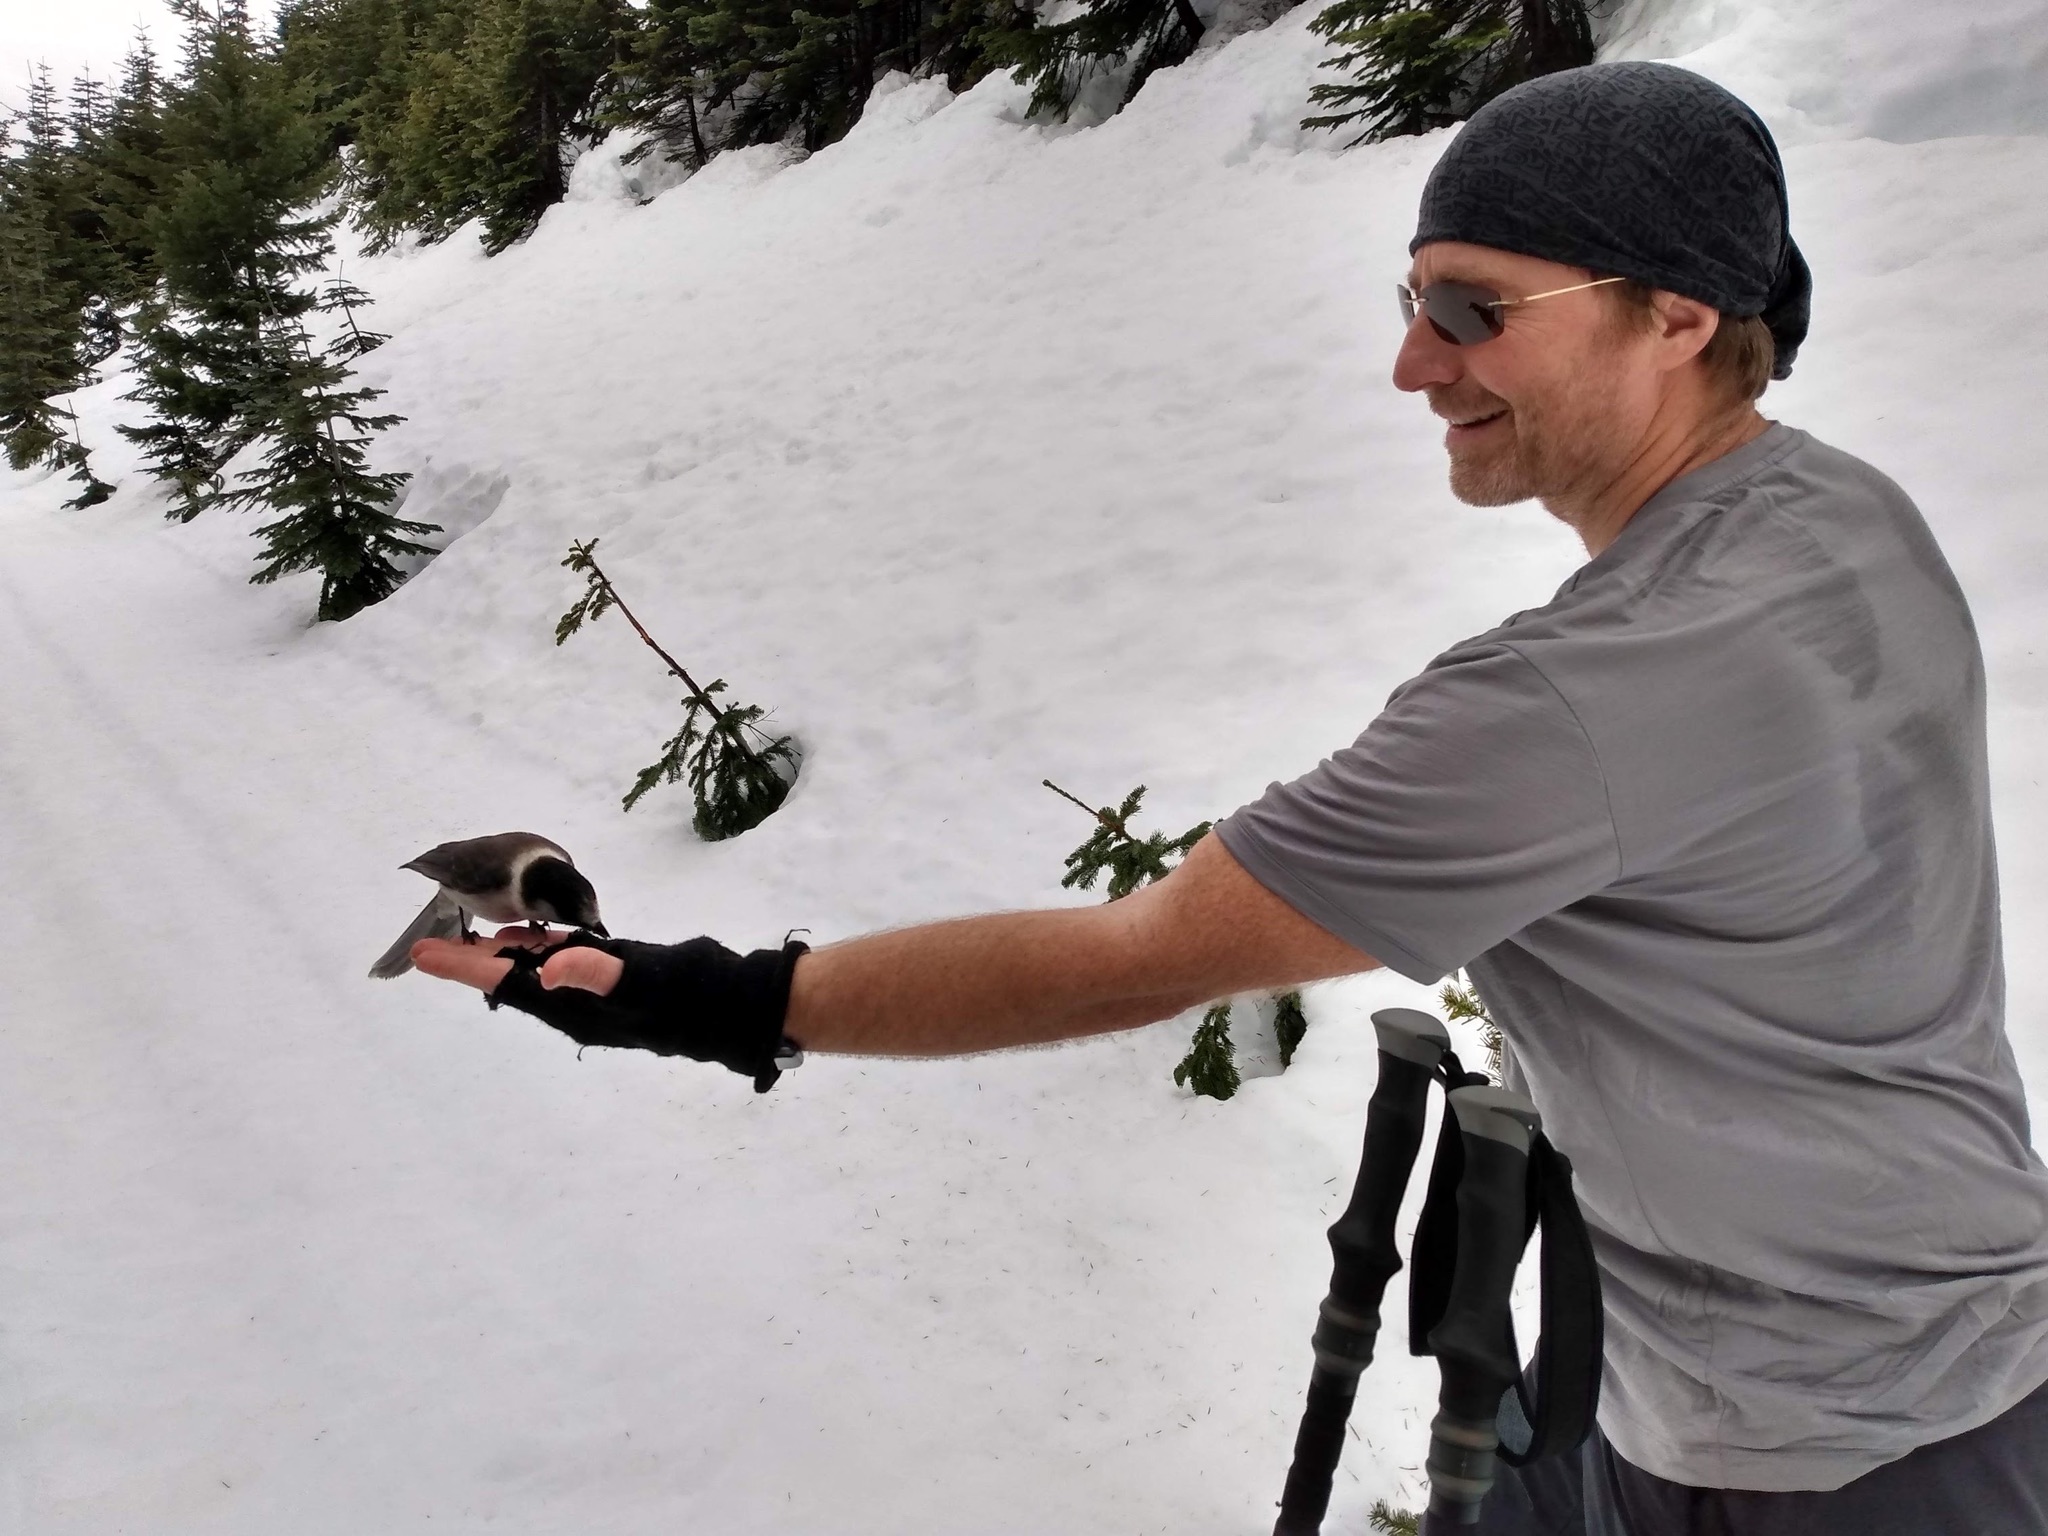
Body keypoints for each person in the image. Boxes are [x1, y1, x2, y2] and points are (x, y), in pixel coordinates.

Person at [412, 62, 2048, 1536]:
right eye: (1408, 297)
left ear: (1680, 314)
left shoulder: (1580, 694)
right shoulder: (1839, 516)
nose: (1412, 360)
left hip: (1816, 1453)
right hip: (1930, 1348)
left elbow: (1139, 956)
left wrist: (717, 999)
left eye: (1474, 309)